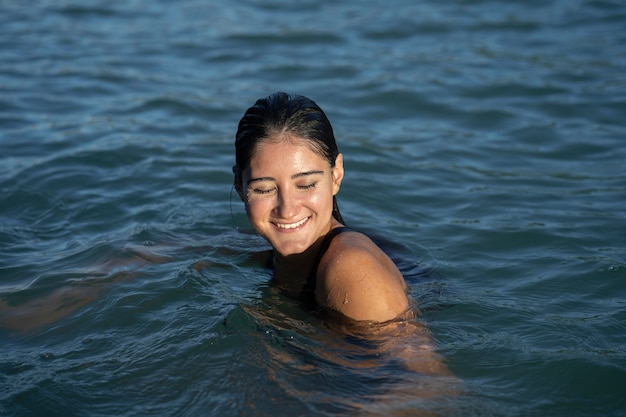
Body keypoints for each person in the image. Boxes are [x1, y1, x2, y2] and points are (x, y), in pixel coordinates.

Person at [233, 92, 410, 323]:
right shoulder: (275, 255)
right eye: (265, 189)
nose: (287, 210)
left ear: (336, 175)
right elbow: (215, 244)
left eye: (306, 184)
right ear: (240, 187)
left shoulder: (353, 269)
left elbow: (418, 358)